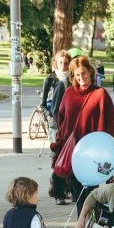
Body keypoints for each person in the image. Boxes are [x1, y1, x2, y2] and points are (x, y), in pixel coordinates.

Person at [50, 55, 114, 215]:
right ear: (73, 76)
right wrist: (60, 143)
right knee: (79, 193)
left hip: (93, 153)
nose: (81, 78)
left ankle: (88, 226)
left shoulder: (100, 94)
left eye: (84, 73)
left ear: (91, 72)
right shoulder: (68, 94)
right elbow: (61, 119)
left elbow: (111, 122)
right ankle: (84, 226)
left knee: (90, 192)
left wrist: (106, 148)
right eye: (77, 75)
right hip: (73, 152)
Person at [42, 50, 71, 205]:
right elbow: (44, 104)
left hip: (70, 126)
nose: (64, 65)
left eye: (66, 62)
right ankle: (58, 191)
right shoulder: (51, 79)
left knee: (70, 158)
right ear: (56, 63)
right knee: (58, 157)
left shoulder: (72, 79)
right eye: (61, 62)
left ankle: (68, 189)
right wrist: (51, 120)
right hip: (56, 125)